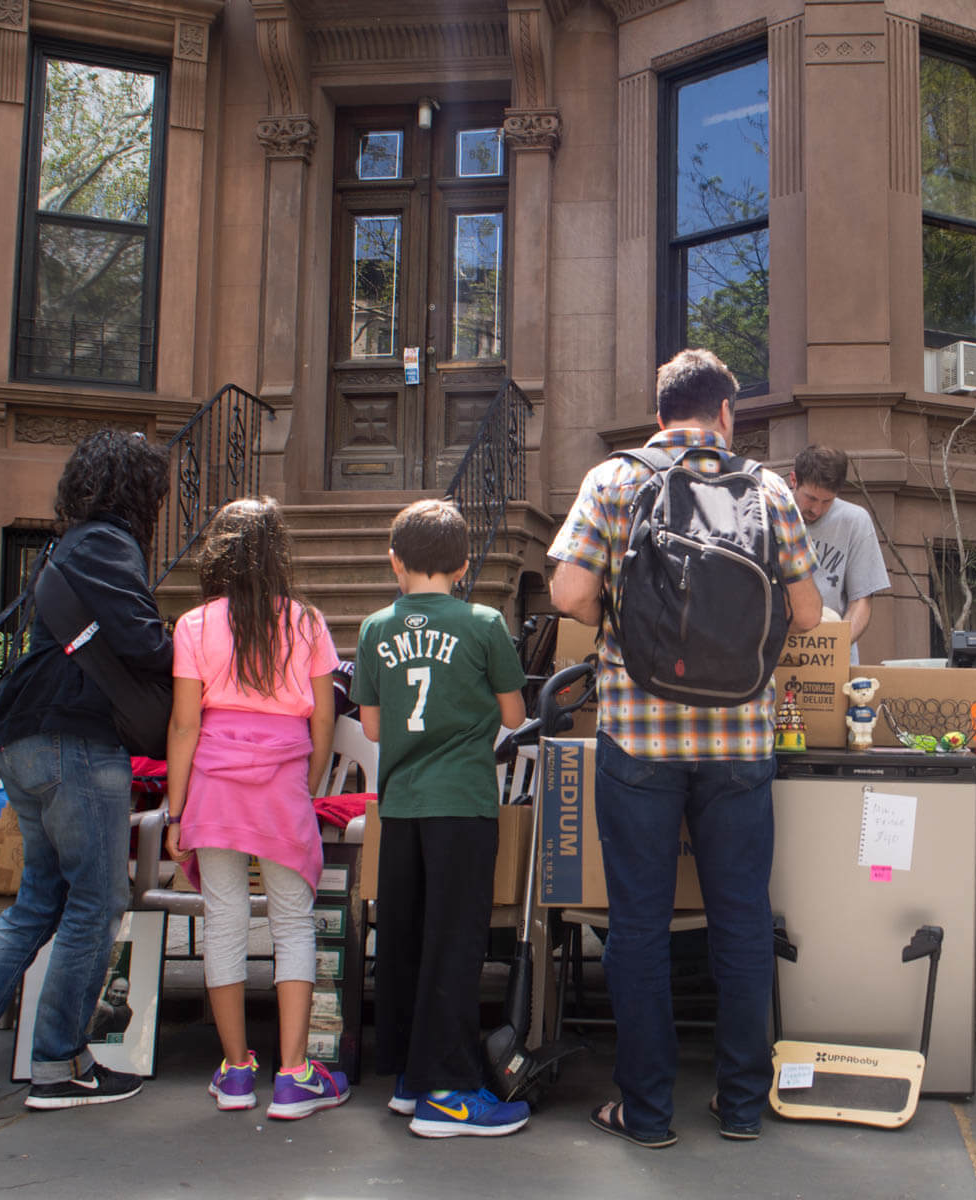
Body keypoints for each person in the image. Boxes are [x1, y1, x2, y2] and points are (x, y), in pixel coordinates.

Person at [549, 348, 822, 1148]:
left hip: (638, 733)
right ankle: (740, 1104)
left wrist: (620, 616)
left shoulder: (615, 480)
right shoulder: (768, 489)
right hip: (740, 738)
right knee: (740, 921)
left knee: (638, 925)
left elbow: (567, 591)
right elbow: (807, 614)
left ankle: (648, 1110)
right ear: (726, 414)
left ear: (659, 408)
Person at [0, 430, 171, 1111]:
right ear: (136, 491)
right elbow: (141, 640)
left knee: (38, 903)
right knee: (98, 903)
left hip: (28, 741)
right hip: (74, 741)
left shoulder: (70, 545)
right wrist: (185, 639)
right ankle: (58, 1063)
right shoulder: (106, 543)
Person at [351, 498, 530, 1138]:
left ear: (395, 562)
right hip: (462, 803)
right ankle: (449, 1094)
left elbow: (370, 724)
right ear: (462, 564)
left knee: (402, 943)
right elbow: (513, 716)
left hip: (399, 806)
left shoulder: (374, 629)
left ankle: (409, 1076)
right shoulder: (484, 623)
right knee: (454, 947)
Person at [163, 497, 345, 1118]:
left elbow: (185, 727)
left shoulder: (192, 626)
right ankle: (294, 1077)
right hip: (282, 788)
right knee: (294, 923)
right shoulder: (307, 623)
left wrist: (175, 812)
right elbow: (324, 716)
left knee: (224, 923)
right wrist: (309, 781)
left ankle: (236, 1072)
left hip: (212, 788)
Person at [788, 445, 891, 664]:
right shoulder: (770, 513)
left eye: (827, 501)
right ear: (793, 480)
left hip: (834, 656)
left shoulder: (855, 521)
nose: (817, 510)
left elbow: (861, 601)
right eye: (811, 498)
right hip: (778, 654)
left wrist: (833, 648)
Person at [87, 976, 133, 1042]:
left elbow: (105, 1008)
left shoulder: (126, 1011)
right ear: (109, 991)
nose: (118, 995)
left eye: (123, 992)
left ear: (127, 994)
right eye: (115, 991)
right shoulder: (103, 1005)